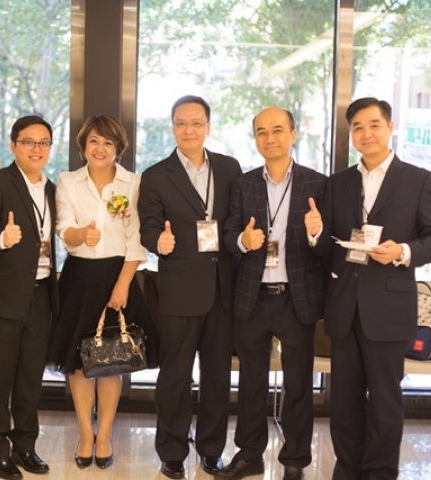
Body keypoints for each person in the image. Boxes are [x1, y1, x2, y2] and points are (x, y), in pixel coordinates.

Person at [305, 97, 431, 480]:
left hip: (388, 310)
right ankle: (347, 470)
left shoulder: (418, 180)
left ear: (389, 127)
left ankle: (381, 472)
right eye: (358, 127)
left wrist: (402, 251)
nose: (366, 133)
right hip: (344, 308)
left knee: (385, 400)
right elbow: (326, 251)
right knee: (344, 401)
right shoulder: (337, 183)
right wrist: (315, 232)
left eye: (374, 125)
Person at [217, 108, 327, 480]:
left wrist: (316, 232)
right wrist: (242, 240)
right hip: (253, 296)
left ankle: (295, 460)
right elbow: (228, 235)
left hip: (298, 298)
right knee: (251, 382)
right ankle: (249, 455)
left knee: (298, 384)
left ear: (293, 134)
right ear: (255, 138)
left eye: (278, 130)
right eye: (262, 132)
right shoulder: (244, 184)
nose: (270, 138)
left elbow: (328, 244)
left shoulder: (318, 184)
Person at [138, 95, 242, 479]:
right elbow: (148, 226)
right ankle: (171, 452)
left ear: (208, 127)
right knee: (175, 377)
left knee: (217, 378)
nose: (189, 130)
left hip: (222, 289)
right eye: (181, 123)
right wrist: (158, 242)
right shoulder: (155, 175)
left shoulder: (230, 168)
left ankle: (211, 450)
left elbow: (236, 222)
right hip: (179, 290)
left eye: (196, 123)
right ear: (172, 127)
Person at [48, 114, 158, 470]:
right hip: (79, 277)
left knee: (112, 362)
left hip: (118, 275)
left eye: (108, 142)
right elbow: (63, 227)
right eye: (94, 141)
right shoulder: (68, 181)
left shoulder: (133, 183)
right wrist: (81, 235)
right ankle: (85, 434)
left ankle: (105, 434)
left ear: (118, 148)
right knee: (78, 364)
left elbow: (135, 239)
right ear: (83, 146)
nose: (100, 148)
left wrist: (123, 284)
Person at [0, 116, 59, 479]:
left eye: (43, 143)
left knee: (29, 380)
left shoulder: (53, 188)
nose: (36, 149)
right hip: (4, 297)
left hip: (41, 295)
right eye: (28, 142)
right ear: (13, 146)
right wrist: (2, 239)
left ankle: (25, 447)